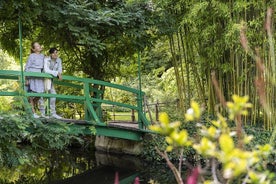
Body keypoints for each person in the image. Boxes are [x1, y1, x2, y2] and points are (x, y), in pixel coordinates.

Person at [24, 42, 45, 118]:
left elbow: (45, 66)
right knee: (31, 94)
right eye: (37, 46)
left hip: (40, 76)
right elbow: (27, 67)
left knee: (40, 94)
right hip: (32, 74)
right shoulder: (31, 56)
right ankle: (33, 113)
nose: (39, 46)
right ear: (33, 49)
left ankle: (31, 107)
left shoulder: (43, 56)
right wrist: (26, 78)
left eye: (39, 45)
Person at [43, 47, 63, 119]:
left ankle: (53, 113)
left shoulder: (59, 60)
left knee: (53, 95)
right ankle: (42, 113)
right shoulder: (46, 59)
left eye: (56, 52)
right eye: (53, 53)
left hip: (50, 79)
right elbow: (46, 70)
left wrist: (59, 73)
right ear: (50, 54)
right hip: (42, 78)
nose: (55, 54)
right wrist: (56, 73)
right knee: (40, 95)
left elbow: (60, 69)